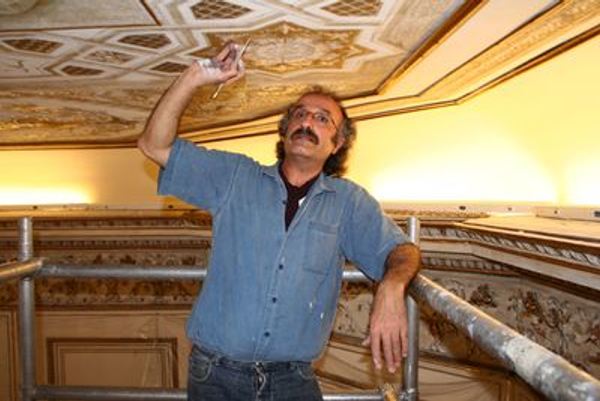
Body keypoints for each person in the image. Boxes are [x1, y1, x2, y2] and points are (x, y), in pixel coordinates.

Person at [138, 42, 421, 401]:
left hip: (292, 381)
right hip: (215, 375)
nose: (307, 122)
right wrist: (196, 75)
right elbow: (153, 145)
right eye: (299, 114)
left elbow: (403, 251)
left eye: (322, 119)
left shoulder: (348, 202)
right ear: (285, 130)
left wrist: (391, 288)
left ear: (337, 144)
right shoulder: (235, 176)